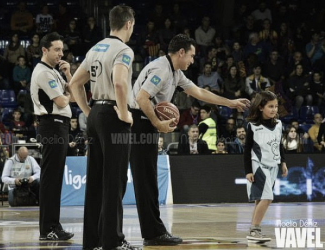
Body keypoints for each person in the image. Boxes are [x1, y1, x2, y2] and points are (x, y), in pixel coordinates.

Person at [129, 34, 249, 246]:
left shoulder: (174, 71)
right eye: (191, 56)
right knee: (145, 181)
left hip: (145, 121)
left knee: (148, 180)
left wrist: (230, 103)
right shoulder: (161, 69)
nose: (193, 61)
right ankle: (152, 233)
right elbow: (141, 97)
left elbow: (199, 92)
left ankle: (154, 231)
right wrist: (157, 123)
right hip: (140, 122)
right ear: (181, 53)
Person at [70, 5, 138, 250]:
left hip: (97, 114)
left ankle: (93, 242)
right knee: (114, 180)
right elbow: (120, 84)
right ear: (129, 24)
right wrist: (123, 111)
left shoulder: (95, 48)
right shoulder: (124, 49)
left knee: (96, 181)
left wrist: (88, 112)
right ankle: (113, 241)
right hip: (112, 115)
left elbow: (74, 83)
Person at [31, 32, 74, 241]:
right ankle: (48, 228)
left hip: (59, 126)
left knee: (55, 179)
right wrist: (66, 95)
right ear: (44, 50)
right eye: (56, 49)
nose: (61, 53)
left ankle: (53, 226)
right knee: (50, 179)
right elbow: (63, 101)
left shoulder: (54, 72)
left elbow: (72, 95)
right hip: (52, 126)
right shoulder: (44, 73)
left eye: (62, 49)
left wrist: (68, 75)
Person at [244, 91, 288, 241]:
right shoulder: (253, 126)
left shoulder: (279, 124)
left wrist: (283, 162)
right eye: (270, 106)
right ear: (261, 107)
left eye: (276, 106)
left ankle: (253, 231)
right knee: (268, 197)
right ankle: (254, 230)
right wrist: (248, 171)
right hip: (259, 165)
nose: (274, 109)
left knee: (260, 200)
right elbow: (247, 150)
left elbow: (279, 145)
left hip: (273, 166)